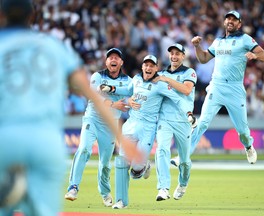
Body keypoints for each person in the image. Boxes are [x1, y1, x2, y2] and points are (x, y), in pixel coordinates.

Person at [0, 1, 142, 215]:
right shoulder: (53, 46)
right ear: (32, 17)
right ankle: (73, 187)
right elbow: (88, 91)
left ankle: (103, 192)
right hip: (45, 142)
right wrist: (123, 139)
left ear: (1, 16)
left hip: (6, 139)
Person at [100, 54, 194, 209]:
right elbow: (127, 90)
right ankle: (121, 200)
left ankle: (143, 166)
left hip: (148, 128)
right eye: (146, 65)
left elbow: (178, 99)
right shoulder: (136, 79)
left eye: (152, 66)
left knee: (136, 169)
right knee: (122, 162)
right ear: (142, 66)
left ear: (156, 68)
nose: (148, 68)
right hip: (130, 125)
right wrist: (112, 88)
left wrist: (189, 114)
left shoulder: (160, 84)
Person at [182, 10, 264, 165]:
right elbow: (203, 59)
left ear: (239, 24)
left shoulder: (245, 39)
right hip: (217, 86)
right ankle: (184, 157)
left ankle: (248, 146)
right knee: (202, 123)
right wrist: (196, 46)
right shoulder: (218, 41)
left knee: (242, 130)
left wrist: (255, 56)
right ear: (224, 22)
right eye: (228, 19)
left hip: (235, 88)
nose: (230, 21)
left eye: (234, 20)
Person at [64, 48, 131, 207]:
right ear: (106, 61)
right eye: (110, 57)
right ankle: (73, 187)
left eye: (116, 57)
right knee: (84, 149)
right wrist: (114, 103)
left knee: (105, 163)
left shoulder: (128, 80)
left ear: (121, 62)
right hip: (92, 119)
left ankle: (105, 192)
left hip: (110, 124)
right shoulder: (97, 76)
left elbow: (133, 93)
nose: (113, 60)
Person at [153, 43, 197, 201]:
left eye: (177, 53)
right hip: (165, 119)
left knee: (184, 161)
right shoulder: (162, 72)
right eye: (172, 53)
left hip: (183, 120)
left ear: (183, 56)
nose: (174, 56)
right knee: (162, 150)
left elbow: (186, 90)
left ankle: (183, 183)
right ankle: (163, 188)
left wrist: (166, 80)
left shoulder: (189, 72)